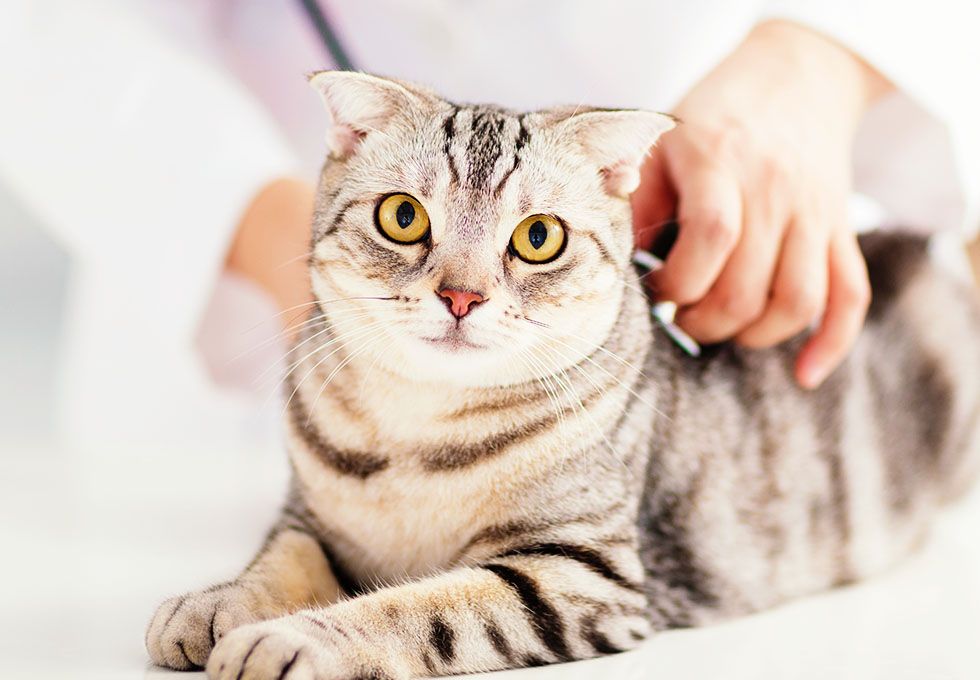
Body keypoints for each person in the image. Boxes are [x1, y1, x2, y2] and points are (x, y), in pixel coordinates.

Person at [1, 0, 977, 448]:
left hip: (750, 371)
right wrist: (323, 274)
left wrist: (819, 56)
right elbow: (48, 37)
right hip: (253, 423)